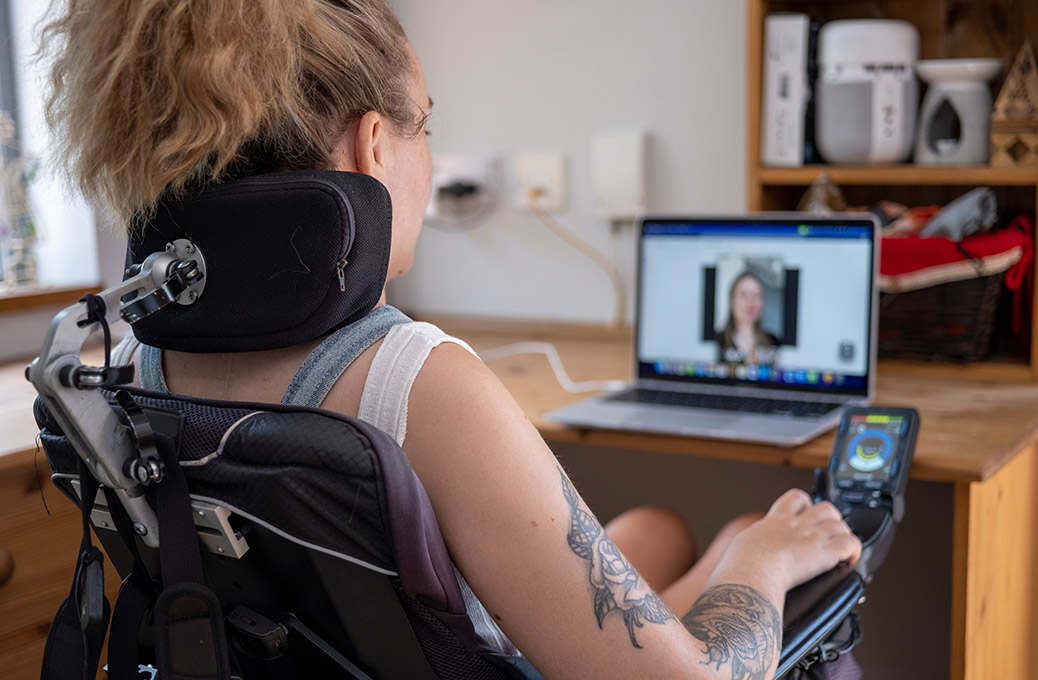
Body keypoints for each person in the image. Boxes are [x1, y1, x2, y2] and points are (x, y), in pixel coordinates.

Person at [42, 2, 861, 678]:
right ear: (372, 146)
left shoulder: (130, 365)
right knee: (743, 532)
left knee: (655, 529)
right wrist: (765, 559)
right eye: (425, 128)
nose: (427, 156)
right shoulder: (415, 383)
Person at [718, 271, 782, 366]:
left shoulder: (775, 343)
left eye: (756, 295)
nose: (750, 302)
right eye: (744, 295)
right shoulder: (716, 342)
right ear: (732, 300)